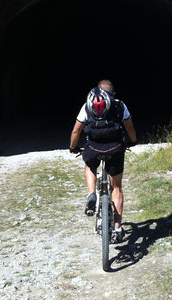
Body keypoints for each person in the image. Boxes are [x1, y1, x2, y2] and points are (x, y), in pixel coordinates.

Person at [69, 79, 137, 244]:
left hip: (94, 148)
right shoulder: (120, 106)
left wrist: (73, 147)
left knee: (90, 166)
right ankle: (118, 228)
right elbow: (129, 127)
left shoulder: (87, 106)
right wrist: (133, 141)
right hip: (115, 148)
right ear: (112, 93)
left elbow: (76, 130)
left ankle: (91, 193)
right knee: (117, 188)